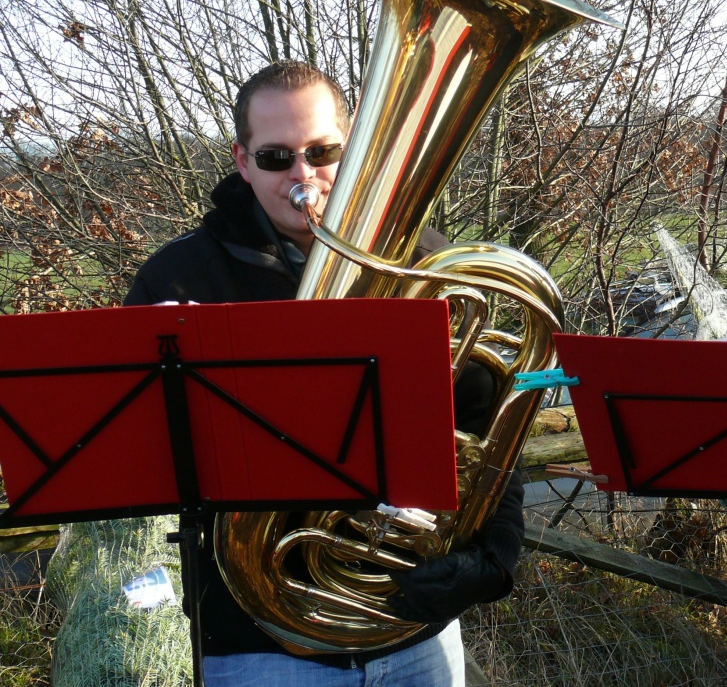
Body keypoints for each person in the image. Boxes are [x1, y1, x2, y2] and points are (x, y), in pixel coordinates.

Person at [125, 60, 522, 686]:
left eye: (323, 150)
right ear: (243, 161)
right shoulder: (178, 281)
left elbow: (487, 428)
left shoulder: (425, 264)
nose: (303, 175)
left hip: (412, 627)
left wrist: (493, 558)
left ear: (354, 148)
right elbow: (136, 463)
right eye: (278, 156)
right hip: (256, 646)